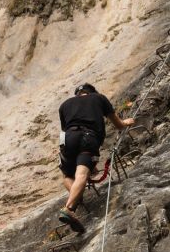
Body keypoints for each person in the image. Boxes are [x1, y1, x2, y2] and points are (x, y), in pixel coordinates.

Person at [56, 83, 134, 234]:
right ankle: (69, 207)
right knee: (82, 175)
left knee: (67, 175)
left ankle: (75, 198)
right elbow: (118, 124)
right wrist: (126, 122)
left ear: (77, 94)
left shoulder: (64, 105)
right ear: (92, 92)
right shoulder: (99, 98)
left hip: (68, 139)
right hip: (88, 138)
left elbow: (65, 129)